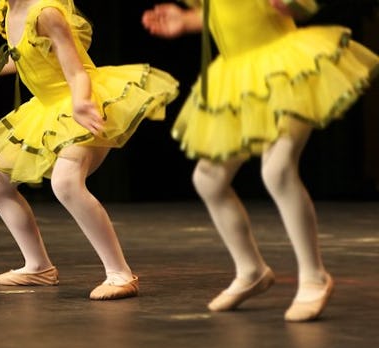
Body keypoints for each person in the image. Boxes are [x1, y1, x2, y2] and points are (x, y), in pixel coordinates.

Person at [142, 0, 379, 321]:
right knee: (208, 179)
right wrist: (188, 21)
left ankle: (314, 276)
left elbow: (302, 6)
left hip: (286, 65)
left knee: (278, 170)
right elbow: (223, 13)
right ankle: (250, 269)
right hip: (237, 77)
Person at [0, 0, 179, 300]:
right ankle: (38, 266)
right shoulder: (6, 11)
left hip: (82, 103)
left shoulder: (46, 14)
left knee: (66, 182)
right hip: (45, 110)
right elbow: (25, 57)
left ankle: (120, 273)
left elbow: (77, 72)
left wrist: (81, 102)